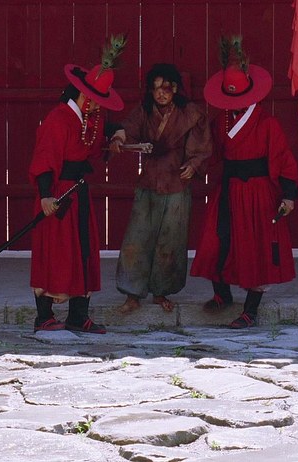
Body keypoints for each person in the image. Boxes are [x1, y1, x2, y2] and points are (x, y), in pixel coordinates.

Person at [190, 36, 298, 329]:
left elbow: (285, 160)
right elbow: (210, 151)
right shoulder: (221, 120)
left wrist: (288, 195)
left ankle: (251, 309)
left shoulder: (267, 124)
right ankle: (222, 294)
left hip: (257, 191)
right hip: (228, 188)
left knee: (256, 247)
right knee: (216, 241)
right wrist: (192, 158)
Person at [28, 35, 126, 334]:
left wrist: (118, 134)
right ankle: (44, 316)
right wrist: (45, 195)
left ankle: (78, 316)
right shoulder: (58, 119)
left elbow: (106, 131)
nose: (95, 105)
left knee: (83, 249)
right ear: (81, 93)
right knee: (55, 252)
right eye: (91, 99)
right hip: (56, 194)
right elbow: (44, 159)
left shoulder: (89, 118)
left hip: (78, 193)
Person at [109, 63, 212, 314]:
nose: (161, 94)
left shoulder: (191, 113)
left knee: (171, 240)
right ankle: (132, 294)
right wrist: (118, 138)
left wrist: (193, 165)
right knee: (137, 238)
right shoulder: (144, 111)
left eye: (166, 88)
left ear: (175, 88)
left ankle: (161, 292)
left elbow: (202, 147)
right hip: (149, 182)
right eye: (155, 89)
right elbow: (127, 130)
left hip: (176, 183)